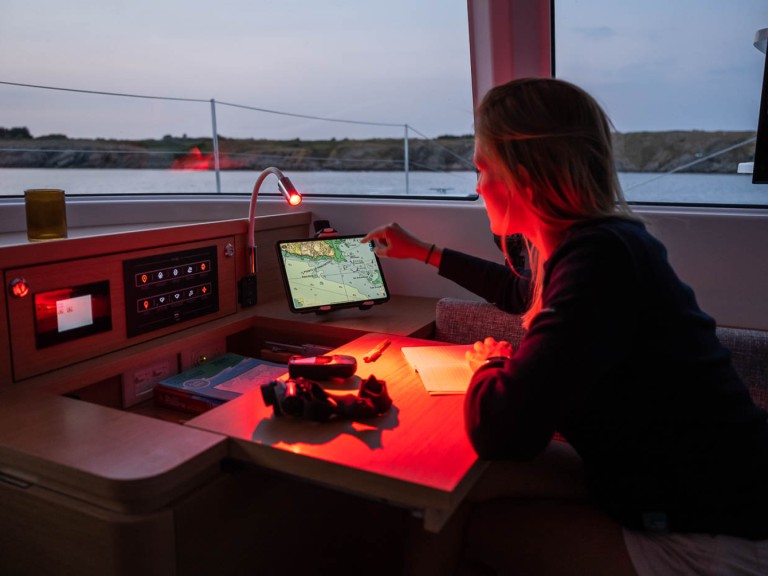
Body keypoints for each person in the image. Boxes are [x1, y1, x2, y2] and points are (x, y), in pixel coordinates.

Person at [363, 78, 768, 575]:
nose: (478, 186)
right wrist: (423, 252)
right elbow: (520, 292)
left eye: (482, 169)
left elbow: (501, 431)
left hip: (709, 528)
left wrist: (489, 364)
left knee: (451, 518)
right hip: (651, 478)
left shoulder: (600, 259)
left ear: (524, 174)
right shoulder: (596, 246)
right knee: (444, 485)